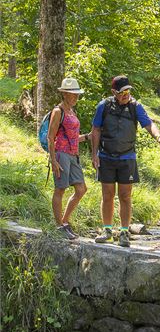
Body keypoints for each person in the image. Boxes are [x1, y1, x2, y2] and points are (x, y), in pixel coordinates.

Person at [92, 75, 160, 247]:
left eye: (128, 91)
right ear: (114, 92)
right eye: (122, 92)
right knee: (107, 195)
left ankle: (124, 232)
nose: (126, 94)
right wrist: (94, 154)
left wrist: (159, 137)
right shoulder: (104, 106)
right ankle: (107, 230)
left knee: (125, 196)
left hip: (127, 157)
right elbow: (96, 130)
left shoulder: (135, 107)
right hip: (106, 156)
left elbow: (149, 124)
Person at [48, 77, 91, 240]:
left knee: (81, 189)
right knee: (60, 188)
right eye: (73, 94)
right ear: (64, 94)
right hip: (61, 154)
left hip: (74, 155)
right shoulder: (58, 111)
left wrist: (87, 137)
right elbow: (51, 138)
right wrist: (54, 161)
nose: (76, 97)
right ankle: (59, 226)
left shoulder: (72, 112)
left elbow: (72, 137)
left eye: (77, 94)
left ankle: (65, 221)